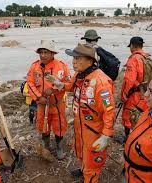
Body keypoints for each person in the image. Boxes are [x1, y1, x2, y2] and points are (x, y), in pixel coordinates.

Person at [46, 43, 115, 183]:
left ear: (90, 61)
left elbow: (109, 111)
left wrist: (106, 135)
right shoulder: (79, 75)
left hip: (93, 129)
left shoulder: (101, 82)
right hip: (80, 125)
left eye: (78, 58)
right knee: (80, 150)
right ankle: (84, 170)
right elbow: (70, 86)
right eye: (73, 58)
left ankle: (90, 177)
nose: (74, 61)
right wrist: (59, 84)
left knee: (92, 159)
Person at [26, 40, 71, 159]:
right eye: (41, 52)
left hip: (57, 104)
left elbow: (68, 83)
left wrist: (54, 89)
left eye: (46, 52)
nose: (43, 55)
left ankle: (59, 147)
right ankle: (46, 146)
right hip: (41, 104)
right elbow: (29, 83)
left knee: (60, 127)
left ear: (52, 54)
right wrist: (38, 97)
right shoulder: (35, 66)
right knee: (43, 126)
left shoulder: (61, 66)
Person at [121, 37, 150, 137]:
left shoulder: (133, 59)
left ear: (133, 46)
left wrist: (124, 94)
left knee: (128, 116)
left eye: (130, 46)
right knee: (141, 115)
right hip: (146, 93)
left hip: (134, 93)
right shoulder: (147, 57)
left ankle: (128, 139)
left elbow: (129, 80)